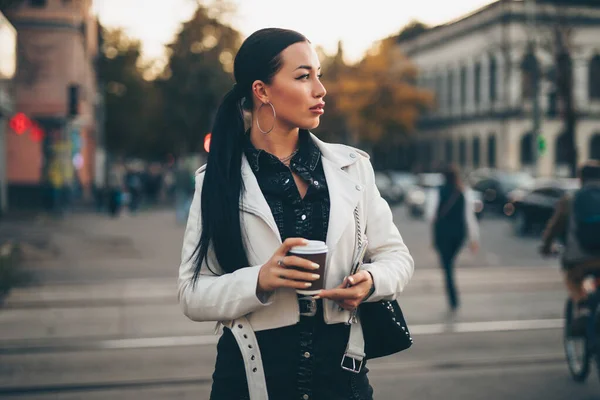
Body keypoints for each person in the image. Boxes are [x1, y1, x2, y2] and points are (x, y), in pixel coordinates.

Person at [177, 28, 414, 400]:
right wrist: (261, 280)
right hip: (250, 382)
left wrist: (370, 281)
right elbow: (192, 293)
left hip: (343, 382)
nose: (321, 89)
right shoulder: (217, 180)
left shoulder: (353, 168)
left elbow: (397, 257)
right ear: (262, 91)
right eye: (304, 76)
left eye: (319, 75)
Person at [540, 160, 600, 335]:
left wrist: (546, 246)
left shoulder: (571, 199)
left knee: (572, 279)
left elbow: (555, 227)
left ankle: (582, 306)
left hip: (581, 259)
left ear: (580, 178)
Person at [426, 164, 479, 311]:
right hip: (459, 236)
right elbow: (470, 217)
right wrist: (474, 239)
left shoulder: (437, 192)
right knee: (450, 265)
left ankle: (453, 298)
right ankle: (453, 298)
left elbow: (430, 215)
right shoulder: (464, 192)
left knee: (447, 267)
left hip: (442, 235)